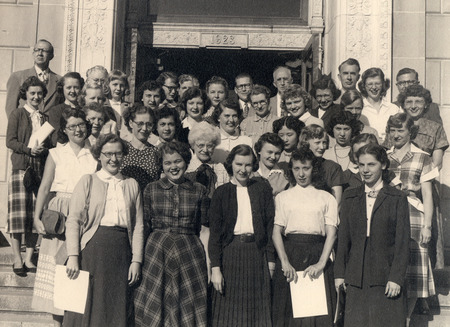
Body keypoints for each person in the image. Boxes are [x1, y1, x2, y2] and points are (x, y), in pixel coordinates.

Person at [64, 134, 144, 327]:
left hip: (121, 252)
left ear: (124, 155)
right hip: (93, 250)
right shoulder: (88, 181)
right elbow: (74, 220)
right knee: (90, 304)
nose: (113, 159)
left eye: (118, 153)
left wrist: (136, 260)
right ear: (98, 155)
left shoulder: (132, 184)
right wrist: (73, 256)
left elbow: (139, 225)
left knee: (116, 305)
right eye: (108, 153)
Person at [32, 108, 97, 327]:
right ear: (64, 130)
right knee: (55, 269)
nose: (78, 130)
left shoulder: (96, 153)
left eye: (81, 125)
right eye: (72, 126)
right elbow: (44, 187)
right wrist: (36, 217)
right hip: (59, 213)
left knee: (75, 266)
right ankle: (55, 324)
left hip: (84, 214)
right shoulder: (55, 153)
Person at [134, 141, 209, 327]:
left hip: (190, 252)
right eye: (167, 163)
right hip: (157, 252)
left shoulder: (199, 190)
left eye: (178, 161)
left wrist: (208, 262)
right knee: (156, 303)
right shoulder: (151, 189)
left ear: (186, 162)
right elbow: (145, 225)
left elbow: (205, 229)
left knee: (188, 303)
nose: (173, 167)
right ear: (161, 165)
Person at [335, 143, 410, 327]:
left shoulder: (397, 198)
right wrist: (340, 273)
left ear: (383, 165)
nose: (365, 170)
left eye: (371, 164)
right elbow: (343, 238)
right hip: (355, 275)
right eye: (361, 165)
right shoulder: (350, 196)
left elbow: (402, 242)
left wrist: (396, 278)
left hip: (385, 275)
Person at [209, 144, 275, 327]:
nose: (243, 170)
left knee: (256, 314)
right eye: (239, 164)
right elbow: (214, 235)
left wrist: (270, 261)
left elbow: (270, 228)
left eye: (247, 165)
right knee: (229, 314)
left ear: (253, 165)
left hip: (256, 254)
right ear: (231, 164)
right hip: (230, 255)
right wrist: (216, 268)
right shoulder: (221, 193)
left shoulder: (262, 190)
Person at [272, 148, 338, 326]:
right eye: (296, 169)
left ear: (313, 169)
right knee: (289, 313)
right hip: (290, 254)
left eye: (306, 168)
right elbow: (276, 231)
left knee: (314, 313)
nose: (301, 174)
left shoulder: (326, 197)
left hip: (316, 254)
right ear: (291, 170)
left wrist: (321, 263)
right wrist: (285, 262)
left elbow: (331, 233)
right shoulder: (283, 197)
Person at [386, 113, 437, 318]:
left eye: (401, 130)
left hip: (413, 214)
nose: (396, 135)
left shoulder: (422, 156)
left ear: (410, 132)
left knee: (414, 264)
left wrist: (428, 226)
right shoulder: (384, 156)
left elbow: (427, 194)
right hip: (388, 212)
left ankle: (405, 318)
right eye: (393, 130)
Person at [395, 84, 449, 269]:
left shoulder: (435, 128)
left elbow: (437, 162)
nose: (413, 105)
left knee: (428, 234)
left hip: (423, 188)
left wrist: (420, 182)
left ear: (426, 104)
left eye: (418, 101)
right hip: (399, 186)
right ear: (403, 104)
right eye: (409, 101)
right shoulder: (397, 125)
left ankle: (428, 277)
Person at [6, 76, 50, 276]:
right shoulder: (17, 114)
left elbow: (48, 145)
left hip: (38, 169)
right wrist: (28, 149)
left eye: (39, 93)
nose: (36, 96)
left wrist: (42, 150)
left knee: (35, 213)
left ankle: (29, 258)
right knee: (18, 215)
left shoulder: (45, 118)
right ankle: (17, 257)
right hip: (21, 168)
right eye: (32, 93)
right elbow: (10, 141)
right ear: (25, 94)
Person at [6, 39, 61, 118]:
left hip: (50, 128)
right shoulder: (18, 77)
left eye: (44, 51)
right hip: (25, 127)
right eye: (37, 50)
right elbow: (10, 109)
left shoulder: (59, 80)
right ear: (33, 53)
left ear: (51, 56)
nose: (40, 53)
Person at [299, 124, 344, 206]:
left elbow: (337, 203)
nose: (322, 147)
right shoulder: (298, 166)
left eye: (324, 142)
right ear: (306, 142)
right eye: (317, 142)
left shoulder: (333, 167)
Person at [120, 104, 160, 191]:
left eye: (149, 124)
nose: (144, 128)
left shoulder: (157, 152)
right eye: (140, 124)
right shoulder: (122, 150)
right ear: (131, 123)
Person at [358, 67, 401, 142]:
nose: (374, 87)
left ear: (383, 85)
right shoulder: (359, 109)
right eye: (370, 84)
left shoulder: (393, 108)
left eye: (377, 83)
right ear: (364, 86)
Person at [185, 121, 225, 196]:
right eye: (201, 145)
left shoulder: (221, 169)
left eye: (209, 146)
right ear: (193, 145)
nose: (205, 150)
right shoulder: (186, 168)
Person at [210, 98, 253, 164]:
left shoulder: (247, 141)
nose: (231, 120)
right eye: (227, 116)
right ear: (218, 117)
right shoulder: (210, 141)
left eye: (234, 116)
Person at [47, 72, 85, 146]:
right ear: (62, 89)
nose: (72, 91)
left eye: (76, 87)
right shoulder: (56, 111)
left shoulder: (84, 110)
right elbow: (56, 137)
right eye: (69, 87)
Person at [253, 133, 289, 197]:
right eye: (269, 152)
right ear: (259, 150)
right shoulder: (250, 173)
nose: (273, 157)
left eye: (277, 153)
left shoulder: (284, 177)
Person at [104, 69, 130, 134]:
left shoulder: (129, 106)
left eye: (122, 85)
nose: (118, 88)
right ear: (108, 85)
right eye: (115, 84)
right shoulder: (103, 105)